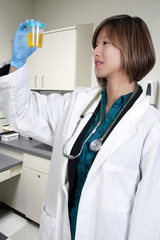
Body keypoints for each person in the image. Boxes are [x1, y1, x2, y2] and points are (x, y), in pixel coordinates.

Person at [0, 14, 160, 240]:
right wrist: (18, 63)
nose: (95, 51)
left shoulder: (151, 127)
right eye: (95, 44)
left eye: (105, 43)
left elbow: (149, 219)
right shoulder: (77, 102)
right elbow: (25, 112)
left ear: (132, 47)